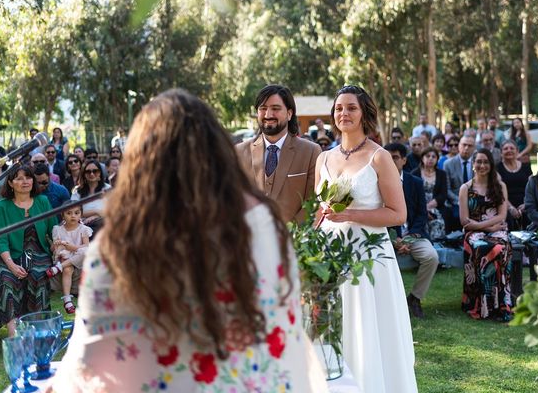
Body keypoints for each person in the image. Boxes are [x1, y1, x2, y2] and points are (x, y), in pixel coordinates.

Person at [51, 89, 327, 392]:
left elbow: (89, 362)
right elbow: (283, 333)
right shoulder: (265, 227)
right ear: (219, 154)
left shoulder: (115, 249)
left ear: (142, 162)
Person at [315, 85, 417, 393]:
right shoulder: (323, 158)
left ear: (364, 114)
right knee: (332, 328)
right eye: (339, 108)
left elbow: (398, 214)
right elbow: (318, 212)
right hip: (329, 257)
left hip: (367, 257)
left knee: (366, 328)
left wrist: (351, 215)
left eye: (351, 108)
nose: (343, 113)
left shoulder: (379, 157)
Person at [236, 84, 321, 223]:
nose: (268, 115)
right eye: (263, 109)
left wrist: (289, 235)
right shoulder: (238, 152)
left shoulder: (311, 152)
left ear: (289, 113)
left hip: (294, 241)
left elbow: (313, 202)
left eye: (275, 109)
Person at [0, 165, 57, 336]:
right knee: (7, 279)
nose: (25, 182)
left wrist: (58, 247)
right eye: (19, 178)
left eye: (28, 177)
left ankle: (38, 331)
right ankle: (14, 335)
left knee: (38, 275)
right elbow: (0, 239)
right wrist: (11, 265)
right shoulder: (1, 206)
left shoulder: (43, 201)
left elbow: (54, 230)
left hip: (38, 253)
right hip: (10, 255)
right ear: (10, 183)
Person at [385, 143, 438, 320]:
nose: (391, 161)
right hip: (386, 238)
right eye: (388, 157)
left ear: (404, 160)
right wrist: (395, 240)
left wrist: (407, 240)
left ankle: (414, 298)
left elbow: (422, 215)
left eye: (395, 157)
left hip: (414, 235)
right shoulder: (377, 183)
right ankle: (387, 303)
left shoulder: (414, 182)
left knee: (431, 256)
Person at [459, 148, 512, 321]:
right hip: (474, 233)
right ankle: (481, 305)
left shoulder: (500, 186)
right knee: (482, 247)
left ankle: (500, 304)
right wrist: (486, 228)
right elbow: (464, 220)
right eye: (478, 162)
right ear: (473, 164)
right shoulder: (465, 188)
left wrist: (482, 226)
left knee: (499, 247)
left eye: (486, 162)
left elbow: (502, 215)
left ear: (491, 165)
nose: (482, 165)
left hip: (495, 230)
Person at [45, 201, 92, 314]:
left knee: (86, 251)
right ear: (63, 215)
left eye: (77, 213)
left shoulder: (83, 229)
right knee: (67, 269)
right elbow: (53, 249)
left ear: (81, 214)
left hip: (78, 255)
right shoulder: (58, 229)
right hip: (64, 257)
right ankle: (67, 299)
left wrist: (73, 247)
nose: (73, 216)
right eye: (69, 213)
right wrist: (56, 245)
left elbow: (86, 246)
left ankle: (58, 268)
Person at [412, 147, 448, 241]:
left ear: (437, 159)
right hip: (418, 208)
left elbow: (443, 194)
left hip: (436, 207)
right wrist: (424, 209)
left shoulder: (442, 174)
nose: (431, 159)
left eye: (433, 156)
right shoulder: (414, 174)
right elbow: (412, 196)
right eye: (428, 156)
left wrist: (430, 206)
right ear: (422, 158)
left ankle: (438, 247)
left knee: (438, 222)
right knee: (423, 223)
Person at [497, 140, 533, 230]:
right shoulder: (497, 168)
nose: (509, 150)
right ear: (501, 153)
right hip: (505, 203)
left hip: (525, 202)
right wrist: (510, 207)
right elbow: (499, 191)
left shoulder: (526, 167)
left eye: (512, 148)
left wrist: (526, 204)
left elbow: (532, 188)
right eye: (505, 149)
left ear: (517, 151)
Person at [444, 135, 477, 231]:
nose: (466, 148)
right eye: (464, 145)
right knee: (456, 216)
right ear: (459, 146)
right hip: (456, 201)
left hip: (475, 200)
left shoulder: (478, 163)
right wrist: (460, 201)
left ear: (474, 148)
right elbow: (447, 189)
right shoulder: (448, 164)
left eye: (470, 146)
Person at [70, 159, 111, 235]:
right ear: (84, 174)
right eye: (88, 172)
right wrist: (96, 211)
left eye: (95, 171)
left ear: (100, 173)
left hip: (104, 227)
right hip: (82, 227)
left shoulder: (108, 189)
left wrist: (95, 217)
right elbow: (72, 212)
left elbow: (113, 211)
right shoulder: (77, 191)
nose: (92, 174)